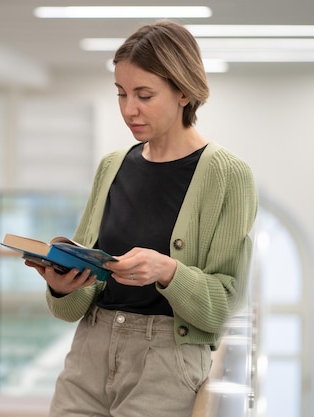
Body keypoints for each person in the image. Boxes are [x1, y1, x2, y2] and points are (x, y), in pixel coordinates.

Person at [24, 20, 258, 417]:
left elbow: (224, 303)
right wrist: (65, 285)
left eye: (144, 95)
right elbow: (73, 307)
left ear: (184, 91)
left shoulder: (227, 175)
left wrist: (168, 271)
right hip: (89, 352)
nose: (129, 109)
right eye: (121, 94)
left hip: (166, 363)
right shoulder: (112, 166)